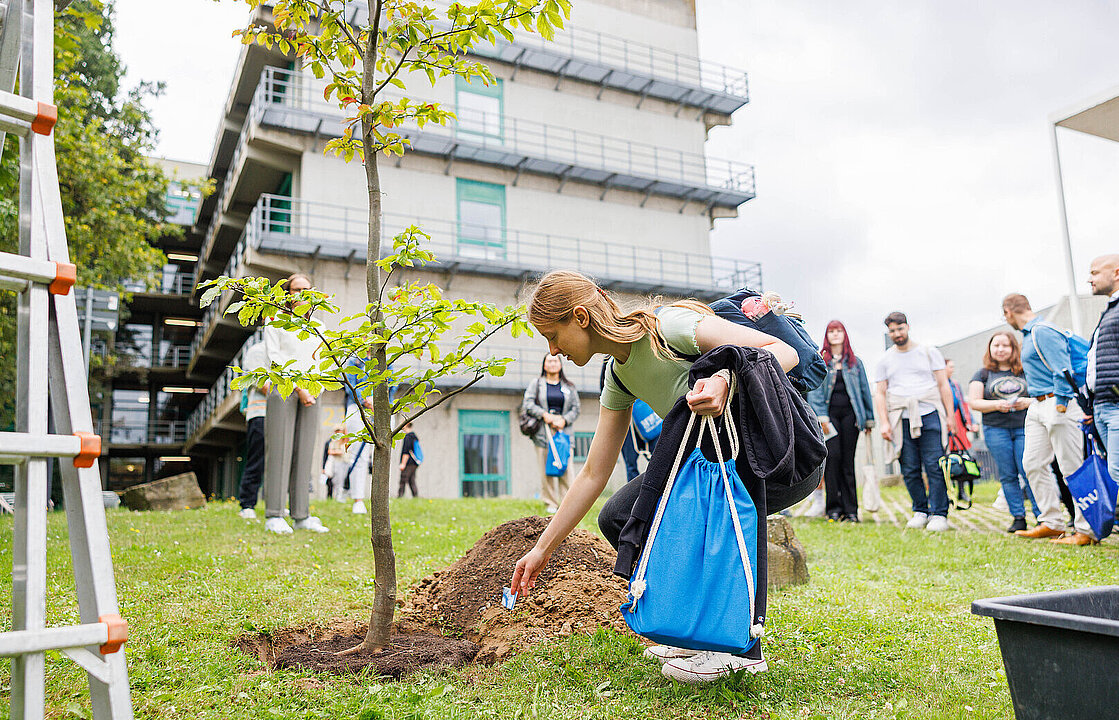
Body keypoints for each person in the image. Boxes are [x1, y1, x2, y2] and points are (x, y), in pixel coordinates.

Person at [510, 270, 804, 683]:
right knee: (618, 516)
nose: (553, 351)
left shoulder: (669, 328)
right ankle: (691, 628)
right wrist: (542, 550)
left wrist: (725, 379)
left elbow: (783, 350)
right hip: (707, 463)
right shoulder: (618, 374)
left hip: (773, 454)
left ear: (579, 316)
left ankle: (740, 648)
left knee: (704, 515)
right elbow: (594, 473)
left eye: (551, 335)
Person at [1002, 293, 1094, 545]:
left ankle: (1086, 530)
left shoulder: (1042, 331)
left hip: (1058, 403)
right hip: (1037, 404)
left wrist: (1062, 404)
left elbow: (1062, 368)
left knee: (1071, 467)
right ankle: (1052, 522)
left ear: (1009, 311)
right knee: (1032, 463)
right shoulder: (1029, 335)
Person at [872, 311, 957, 531]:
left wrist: (950, 416)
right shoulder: (885, 359)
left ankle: (939, 513)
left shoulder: (929, 352)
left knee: (934, 465)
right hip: (901, 417)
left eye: (900, 329)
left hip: (929, 413)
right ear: (888, 332)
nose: (897, 334)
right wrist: (884, 422)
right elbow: (880, 393)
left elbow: (943, 385)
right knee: (909, 467)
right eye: (892, 330)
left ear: (907, 327)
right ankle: (920, 510)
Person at [262, 272, 329, 535]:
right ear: (287, 294)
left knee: (305, 453)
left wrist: (313, 389)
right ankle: (274, 514)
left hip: (313, 391)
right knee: (280, 451)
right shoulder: (275, 322)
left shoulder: (319, 327)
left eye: (305, 289)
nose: (300, 294)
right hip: (285, 389)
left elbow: (323, 361)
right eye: (295, 290)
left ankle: (301, 515)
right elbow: (274, 359)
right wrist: (299, 388)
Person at [968, 332, 1038, 533]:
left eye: (1005, 345)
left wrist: (1026, 402)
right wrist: (996, 405)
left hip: (1025, 427)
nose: (1000, 349)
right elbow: (974, 402)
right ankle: (1018, 517)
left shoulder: (1025, 371)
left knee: (1030, 470)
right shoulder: (982, 374)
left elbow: (1041, 396)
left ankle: (1042, 516)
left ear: (1013, 348)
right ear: (990, 348)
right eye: (996, 345)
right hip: (996, 429)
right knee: (1008, 474)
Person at [807, 320, 875, 522]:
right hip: (829, 418)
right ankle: (833, 509)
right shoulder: (822, 360)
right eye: (831, 331)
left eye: (839, 331)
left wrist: (869, 419)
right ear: (826, 336)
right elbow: (815, 391)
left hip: (851, 417)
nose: (835, 334)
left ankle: (851, 510)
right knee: (832, 460)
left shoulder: (855, 362)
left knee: (848, 462)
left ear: (845, 334)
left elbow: (865, 391)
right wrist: (821, 417)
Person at [521, 353, 581, 513]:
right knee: (546, 470)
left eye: (555, 361)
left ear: (560, 365)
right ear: (544, 365)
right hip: (543, 433)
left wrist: (564, 420)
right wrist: (544, 415)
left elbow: (576, 408)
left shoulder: (569, 386)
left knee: (566, 469)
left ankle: (567, 504)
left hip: (564, 433)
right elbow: (527, 403)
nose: (553, 363)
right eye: (549, 361)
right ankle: (551, 503)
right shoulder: (537, 384)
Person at [1087, 254, 1119, 492]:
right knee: (1113, 472)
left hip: (1116, 405)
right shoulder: (1110, 310)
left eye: (1095, 272)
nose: (1090, 279)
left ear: (1116, 273)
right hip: (1102, 405)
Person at [237, 341, 268, 520]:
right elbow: (258, 384)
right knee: (257, 460)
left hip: (280, 415)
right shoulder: (256, 351)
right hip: (259, 413)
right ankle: (247, 504)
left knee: (277, 461)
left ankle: (274, 503)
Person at [342, 350, 375, 514]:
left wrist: (378, 402)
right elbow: (350, 385)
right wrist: (364, 400)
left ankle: (378, 499)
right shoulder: (354, 362)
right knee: (359, 454)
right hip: (357, 408)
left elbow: (392, 383)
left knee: (379, 456)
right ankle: (358, 499)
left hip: (381, 409)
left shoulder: (386, 362)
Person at [944, 359, 975, 449]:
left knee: (961, 445)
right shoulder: (939, 385)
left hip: (958, 419)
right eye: (950, 367)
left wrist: (971, 421)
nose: (952, 369)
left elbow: (963, 404)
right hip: (947, 419)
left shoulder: (955, 384)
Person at [321, 424, 349, 499]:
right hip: (333, 464)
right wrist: (323, 467)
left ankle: (339, 497)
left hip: (343, 463)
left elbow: (344, 452)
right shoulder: (331, 441)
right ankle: (330, 497)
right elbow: (327, 453)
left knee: (341, 481)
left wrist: (337, 452)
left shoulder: (345, 440)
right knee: (331, 482)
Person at [398, 421, 421, 497]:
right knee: (411, 480)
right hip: (414, 462)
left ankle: (400, 496)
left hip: (409, 463)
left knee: (403, 479)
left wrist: (403, 464)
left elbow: (406, 452)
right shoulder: (414, 436)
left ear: (407, 424)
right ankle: (415, 496)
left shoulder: (408, 437)